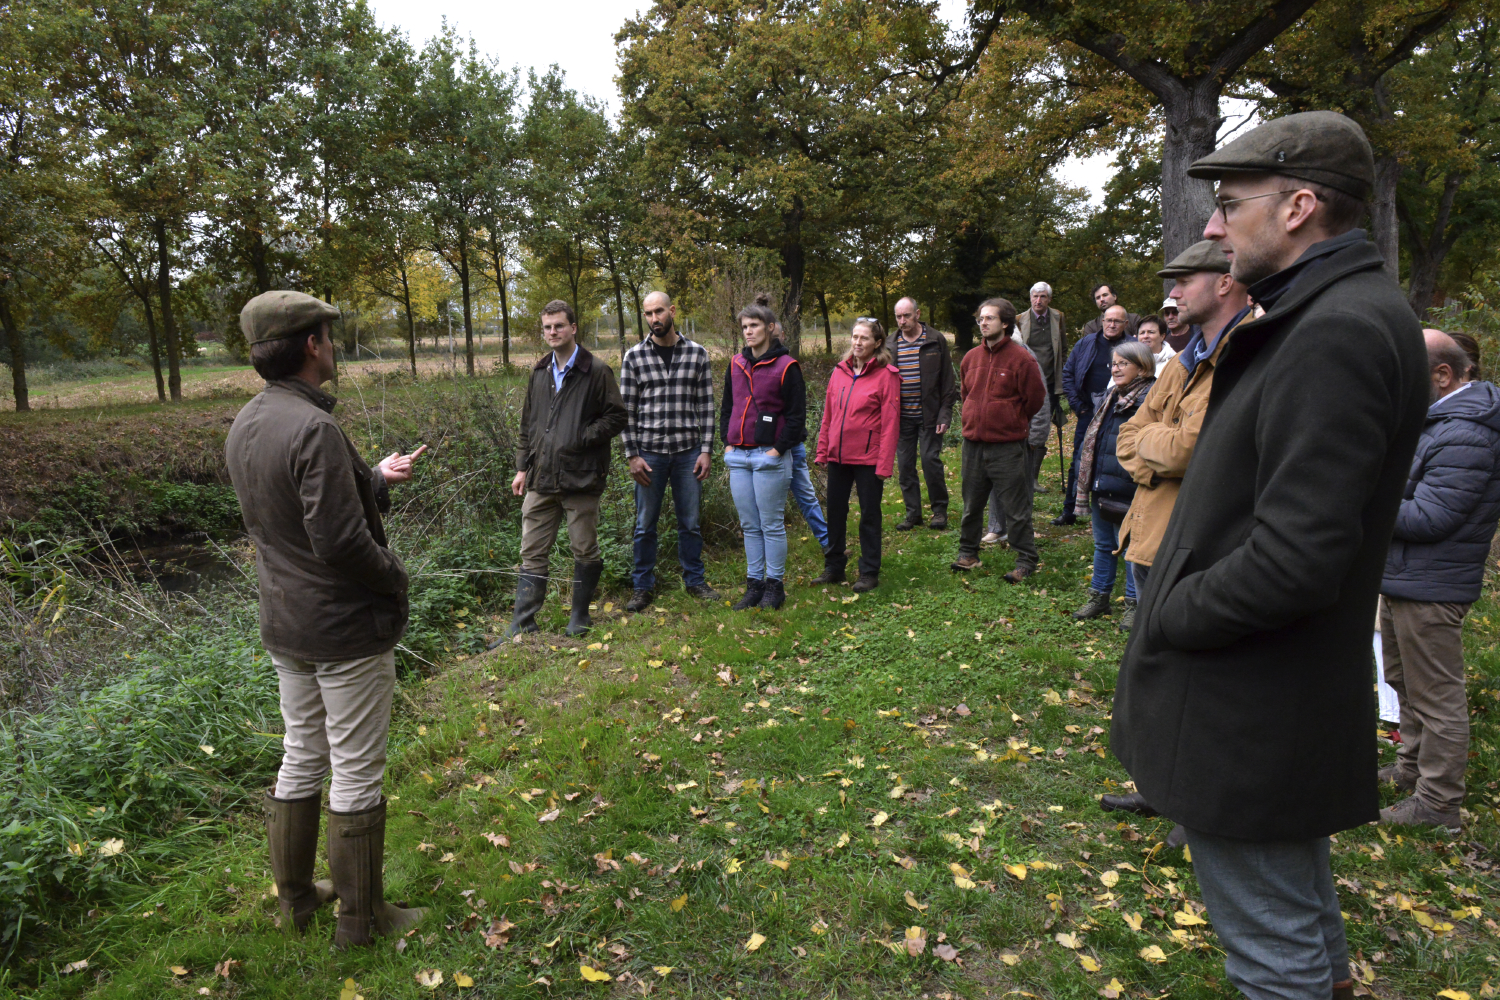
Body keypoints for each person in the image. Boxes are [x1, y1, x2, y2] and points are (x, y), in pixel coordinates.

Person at [1111, 111, 1429, 1000]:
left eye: (1228, 204)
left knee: (1272, 950)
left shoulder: (1335, 331)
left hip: (1251, 704)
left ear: (1297, 208)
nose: (1213, 227)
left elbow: (1297, 556)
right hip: (1264, 699)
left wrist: (1173, 612)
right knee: (1295, 916)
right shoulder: (1327, 314)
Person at [225, 290, 428, 947]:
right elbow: (338, 542)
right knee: (356, 768)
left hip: (287, 626)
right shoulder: (314, 427)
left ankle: (295, 902)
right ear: (311, 345)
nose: (334, 346)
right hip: (342, 631)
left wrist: (368, 479)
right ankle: (360, 920)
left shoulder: (250, 421)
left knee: (302, 756)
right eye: (328, 336)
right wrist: (394, 578)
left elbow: (294, 512)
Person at [1377, 327, 1500, 835]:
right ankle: (1412, 772)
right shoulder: (1442, 419)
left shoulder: (1468, 431)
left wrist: (1364, 495)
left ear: (1443, 375)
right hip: (1406, 576)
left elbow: (1432, 517)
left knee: (1437, 696)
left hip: (1433, 586)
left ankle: (1438, 804)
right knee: (1405, 681)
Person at [1115, 240, 1249, 599]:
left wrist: (1152, 442)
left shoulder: (1245, 357)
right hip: (1150, 541)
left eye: (1185, 282)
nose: (1173, 295)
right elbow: (1126, 436)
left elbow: (1184, 452)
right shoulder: (1180, 363)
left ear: (1224, 283)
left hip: (1197, 552)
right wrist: (1156, 453)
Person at [509, 300, 628, 638]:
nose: (552, 332)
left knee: (584, 547)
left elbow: (617, 416)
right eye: (547, 327)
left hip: (582, 477)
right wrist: (522, 468)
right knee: (531, 549)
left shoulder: (596, 371)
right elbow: (527, 425)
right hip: (541, 477)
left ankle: (579, 617)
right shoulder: (539, 372)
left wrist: (583, 435)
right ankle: (522, 623)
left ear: (573, 328)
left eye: (559, 326)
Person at [620, 291, 720, 613]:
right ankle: (642, 586)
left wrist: (706, 450)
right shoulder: (633, 357)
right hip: (649, 455)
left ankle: (695, 580)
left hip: (688, 452)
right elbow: (626, 412)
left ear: (672, 311)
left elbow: (706, 406)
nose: (654, 319)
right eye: (648, 314)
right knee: (644, 524)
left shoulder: (697, 354)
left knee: (689, 522)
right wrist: (632, 455)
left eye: (659, 312)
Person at [721, 298, 807, 611]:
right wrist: (726, 442)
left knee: (770, 524)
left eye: (754, 325)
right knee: (749, 525)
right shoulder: (736, 363)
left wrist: (777, 450)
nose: (748, 331)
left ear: (770, 328)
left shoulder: (787, 367)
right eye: (744, 327)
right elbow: (727, 406)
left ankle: (775, 586)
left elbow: (797, 416)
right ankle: (754, 585)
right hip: (739, 457)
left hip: (768, 457)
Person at [951, 298, 1045, 581]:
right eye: (981, 318)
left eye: (990, 318)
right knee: (971, 504)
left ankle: (1026, 560)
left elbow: (1035, 399)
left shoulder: (1022, 359)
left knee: (1016, 509)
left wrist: (1009, 420)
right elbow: (966, 395)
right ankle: (968, 553)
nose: (983, 322)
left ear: (1005, 323)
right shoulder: (970, 358)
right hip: (973, 445)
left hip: (1007, 446)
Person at [1070, 340, 1155, 628]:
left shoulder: (1148, 401)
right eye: (1114, 364)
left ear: (1142, 367)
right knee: (1103, 544)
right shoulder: (1110, 396)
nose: (1115, 369)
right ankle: (1099, 596)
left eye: (1122, 364)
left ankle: (1133, 604)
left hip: (1130, 488)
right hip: (1101, 483)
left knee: (1130, 547)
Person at [813, 318, 901, 591]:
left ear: (877, 343)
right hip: (838, 456)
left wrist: (884, 464)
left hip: (868, 459)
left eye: (864, 338)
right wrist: (822, 449)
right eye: (854, 337)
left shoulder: (887, 376)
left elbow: (890, 424)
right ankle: (834, 568)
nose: (858, 342)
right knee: (835, 513)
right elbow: (829, 414)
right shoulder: (839, 372)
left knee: (869, 516)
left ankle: (869, 571)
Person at [1057, 304, 1136, 525]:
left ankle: (1113, 511)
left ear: (1125, 324)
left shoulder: (1132, 346)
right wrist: (1077, 406)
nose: (1111, 324)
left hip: (1121, 413)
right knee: (1079, 460)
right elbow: (1068, 373)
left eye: (1117, 321)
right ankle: (1070, 509)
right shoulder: (1086, 343)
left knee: (1114, 462)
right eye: (1108, 320)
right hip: (1088, 412)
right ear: (1102, 321)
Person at [890, 297, 956, 531]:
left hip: (930, 415)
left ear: (917, 314)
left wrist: (944, 414)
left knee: (930, 461)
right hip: (901, 417)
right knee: (905, 465)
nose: (902, 321)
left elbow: (948, 380)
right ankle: (913, 513)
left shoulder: (935, 340)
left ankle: (939, 511)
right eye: (898, 316)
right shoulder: (890, 343)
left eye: (906, 315)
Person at [770, 310, 831, 552]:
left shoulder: (788, 367)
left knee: (806, 496)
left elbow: (796, 413)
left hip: (791, 446)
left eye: (775, 336)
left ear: (783, 335)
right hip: (762, 447)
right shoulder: (750, 366)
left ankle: (828, 544)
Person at [1015, 281, 1066, 487]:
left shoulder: (1058, 317)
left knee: (1042, 428)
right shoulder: (1020, 319)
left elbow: (1062, 346)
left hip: (1051, 382)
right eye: (1035, 296)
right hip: (1028, 382)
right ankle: (1020, 472)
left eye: (1043, 296)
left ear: (1049, 299)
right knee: (1024, 426)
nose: (1038, 300)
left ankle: (1033, 478)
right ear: (1030, 298)